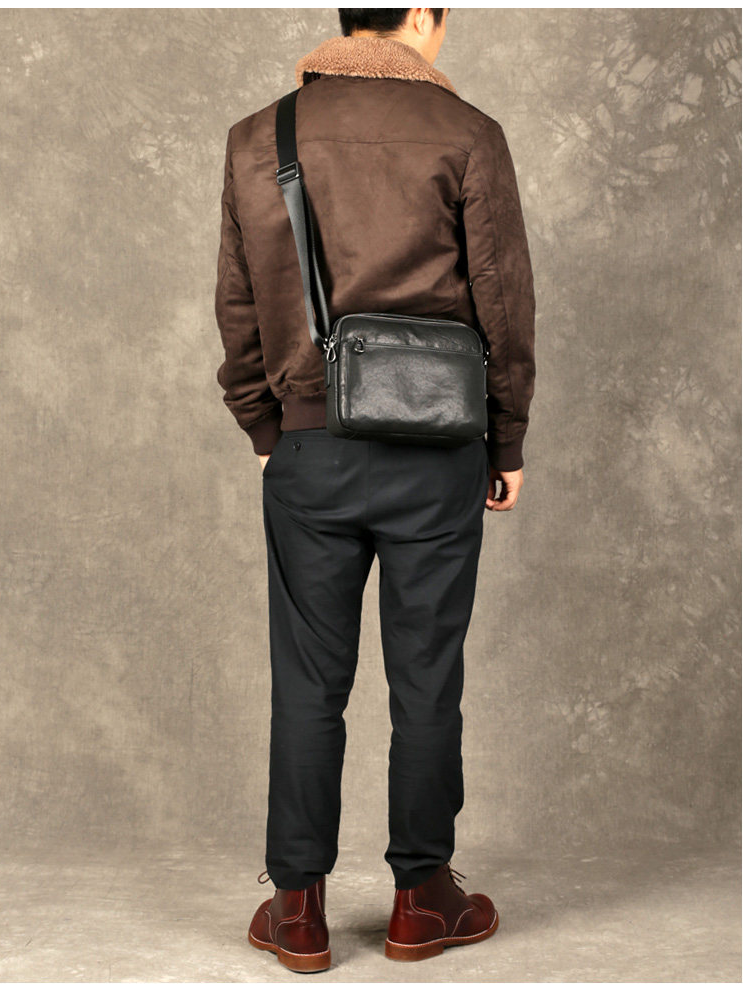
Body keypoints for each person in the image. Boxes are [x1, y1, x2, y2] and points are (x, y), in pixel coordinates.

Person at [214, 6, 536, 972]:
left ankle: (298, 908)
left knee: (308, 681)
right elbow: (503, 301)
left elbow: (238, 301)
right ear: (424, 16)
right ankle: (421, 902)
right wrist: (506, 438)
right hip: (437, 451)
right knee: (427, 676)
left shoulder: (259, 136)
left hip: (309, 448)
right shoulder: (469, 134)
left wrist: (266, 427)